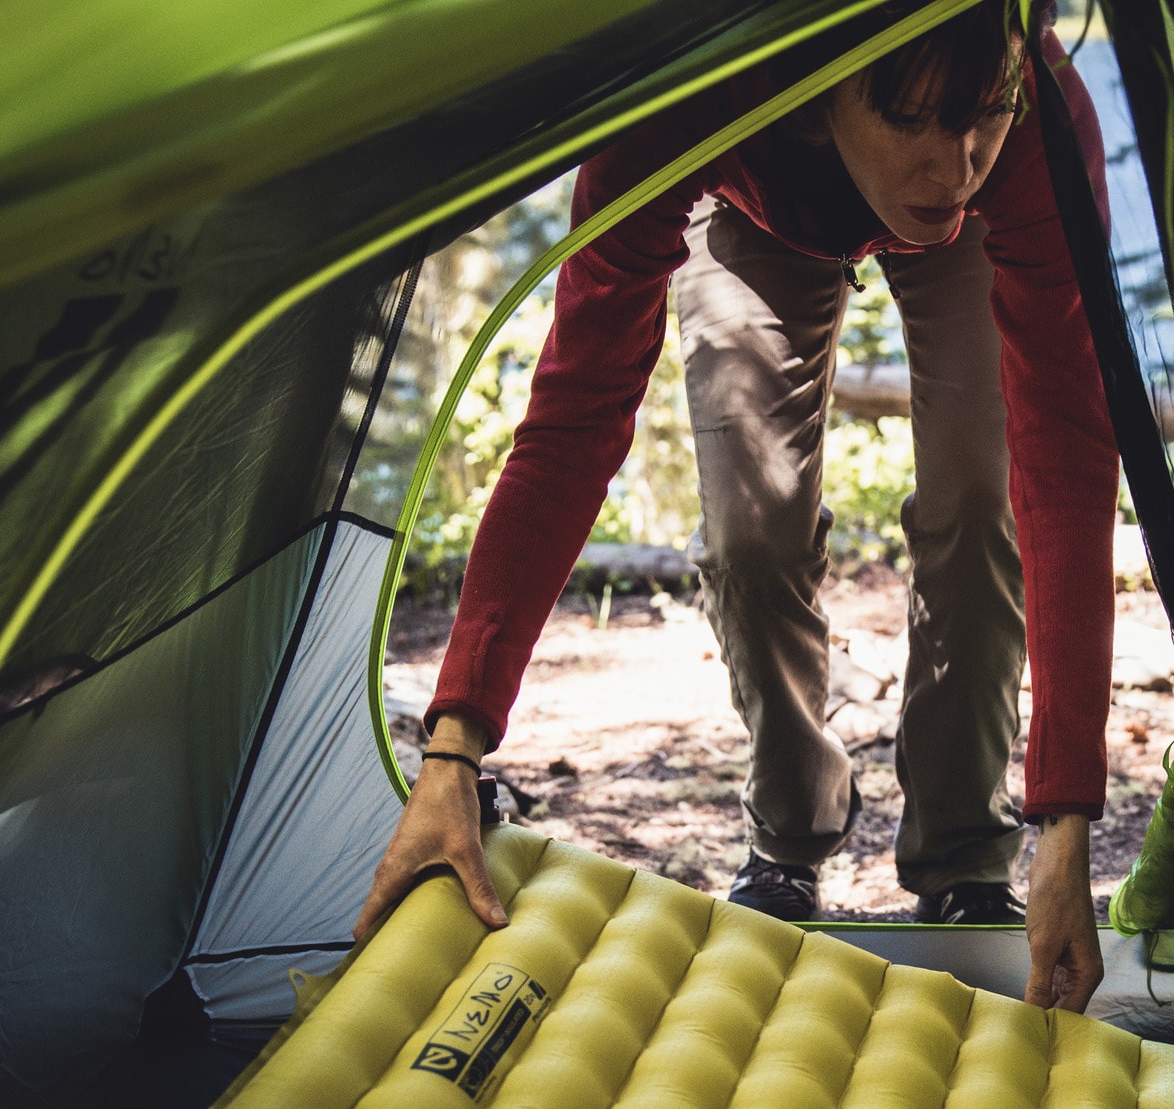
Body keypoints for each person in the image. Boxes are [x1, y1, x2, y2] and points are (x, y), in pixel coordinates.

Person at [357, 1, 1117, 1012]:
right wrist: (453, 744)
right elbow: (575, 416)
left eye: (978, 117)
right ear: (826, 81)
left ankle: (965, 857)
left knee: (982, 505)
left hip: (964, 249)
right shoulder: (692, 84)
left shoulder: (1026, 119)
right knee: (751, 531)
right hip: (755, 207)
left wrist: (1065, 824)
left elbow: (1066, 457)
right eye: (914, 120)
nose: (953, 161)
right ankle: (790, 833)